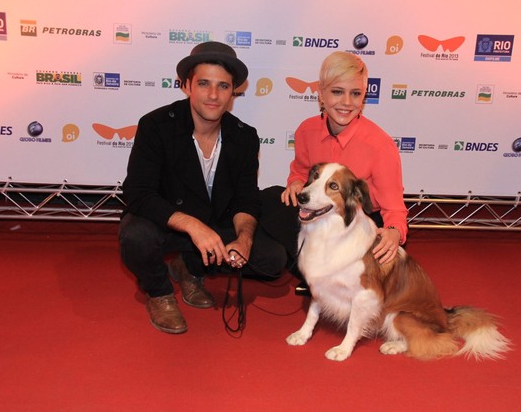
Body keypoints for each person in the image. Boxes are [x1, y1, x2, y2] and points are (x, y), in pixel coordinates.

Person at [119, 41, 287, 334]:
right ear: (186, 86)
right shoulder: (156, 125)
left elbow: (246, 198)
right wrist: (192, 226)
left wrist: (245, 239)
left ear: (233, 92)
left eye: (223, 86)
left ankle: (190, 268)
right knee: (135, 235)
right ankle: (159, 292)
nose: (213, 95)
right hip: (169, 223)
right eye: (204, 84)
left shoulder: (244, 136)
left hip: (214, 226)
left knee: (272, 259)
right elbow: (138, 192)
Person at [274, 51, 408, 293]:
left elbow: (394, 208)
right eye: (337, 91)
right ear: (321, 95)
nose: (347, 102)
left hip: (357, 223)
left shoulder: (379, 145)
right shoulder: (306, 130)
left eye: (355, 93)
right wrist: (295, 182)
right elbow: (301, 170)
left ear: (363, 98)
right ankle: (321, 273)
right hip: (320, 213)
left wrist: (393, 233)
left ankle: (323, 274)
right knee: (272, 200)